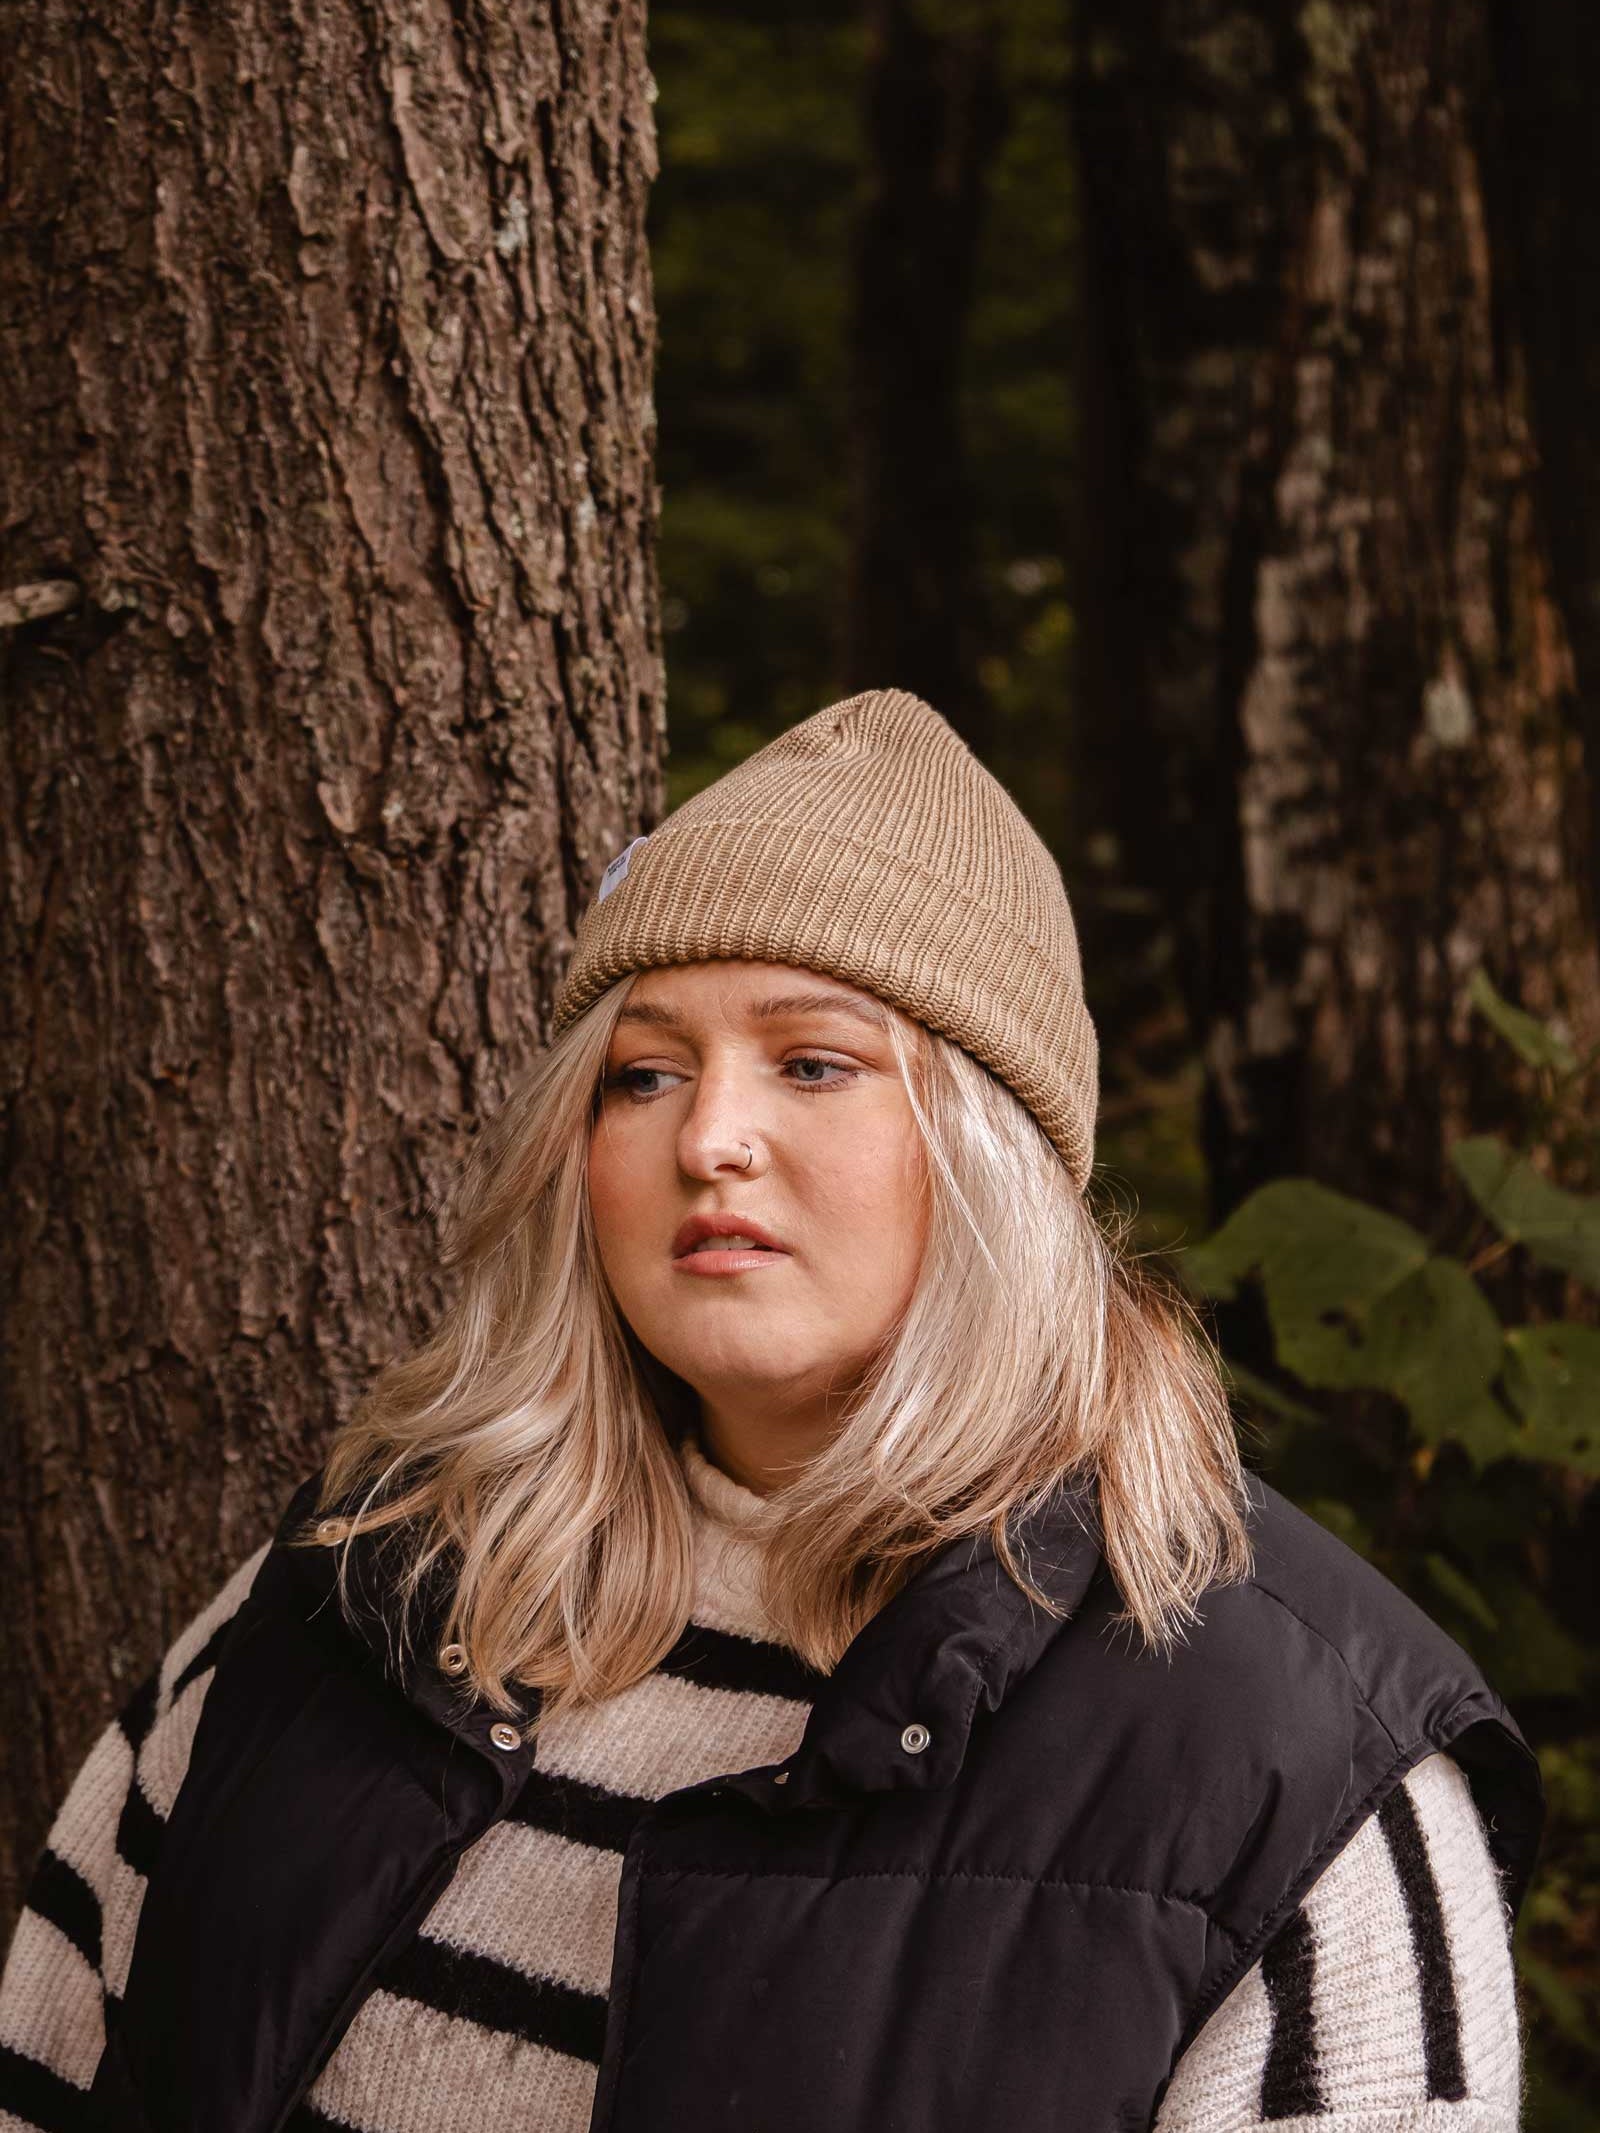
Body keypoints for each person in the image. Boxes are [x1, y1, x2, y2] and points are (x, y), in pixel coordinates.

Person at [0, 688, 1542, 2133]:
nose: (711, 1136)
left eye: (813, 1063)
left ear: (990, 1155)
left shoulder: (1298, 1768)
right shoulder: (363, 1585)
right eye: (645, 1074)